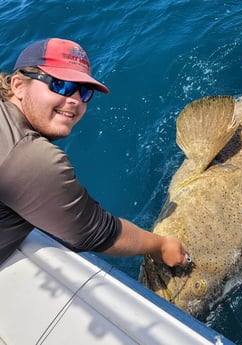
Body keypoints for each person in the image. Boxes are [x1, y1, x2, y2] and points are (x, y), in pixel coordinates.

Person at [0, 38, 188, 267]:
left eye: (84, 91)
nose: (75, 101)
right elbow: (97, 232)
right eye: (60, 84)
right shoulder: (29, 156)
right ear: (18, 85)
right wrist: (161, 246)